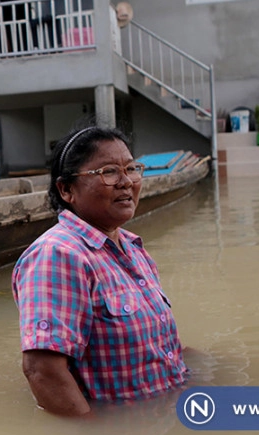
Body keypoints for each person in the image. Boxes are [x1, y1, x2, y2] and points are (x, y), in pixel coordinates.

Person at [12, 125, 187, 416]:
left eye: (131, 168)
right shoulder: (59, 255)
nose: (126, 182)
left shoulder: (132, 247)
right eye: (109, 172)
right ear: (66, 189)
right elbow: (43, 372)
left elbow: (158, 347)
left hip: (166, 418)